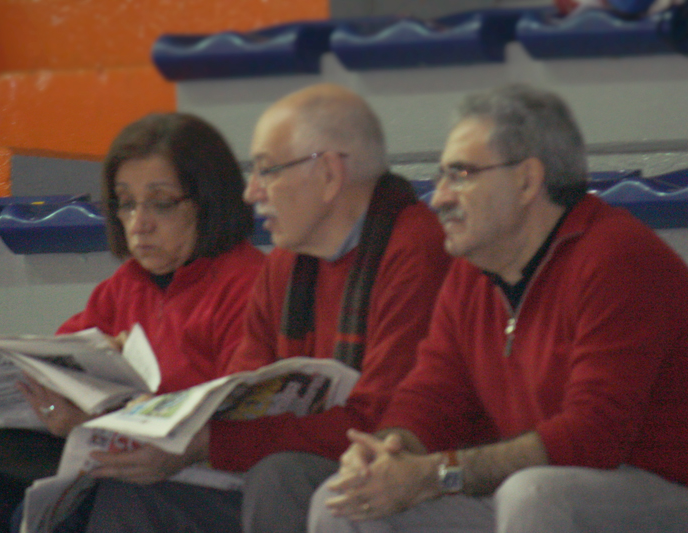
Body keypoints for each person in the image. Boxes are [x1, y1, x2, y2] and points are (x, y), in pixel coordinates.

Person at [309, 83, 688, 533]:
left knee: (533, 494)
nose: (440, 198)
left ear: (528, 180)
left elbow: (593, 437)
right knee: (343, 500)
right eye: (440, 178)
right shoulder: (471, 274)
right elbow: (430, 399)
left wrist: (437, 474)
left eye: (461, 175)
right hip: (552, 488)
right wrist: (383, 454)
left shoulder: (617, 256)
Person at [79, 83, 454, 533]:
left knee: (280, 476)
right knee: (126, 492)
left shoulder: (414, 249)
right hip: (280, 470)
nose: (252, 192)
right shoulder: (285, 263)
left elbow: (381, 425)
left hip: (409, 480)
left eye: (267, 171)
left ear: (329, 174)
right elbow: (238, 395)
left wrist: (208, 443)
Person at [0, 112, 265, 533]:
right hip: (111, 466)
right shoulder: (124, 286)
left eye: (162, 203)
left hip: (203, 481)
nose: (139, 223)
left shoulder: (248, 284)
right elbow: (59, 360)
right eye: (126, 203)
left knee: (60, 515)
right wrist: (63, 410)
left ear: (208, 202)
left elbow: (245, 418)